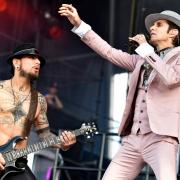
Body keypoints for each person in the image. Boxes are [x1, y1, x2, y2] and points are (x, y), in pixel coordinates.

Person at [59, 5, 180, 180]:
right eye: (153, 25)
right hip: (133, 139)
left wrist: (146, 50)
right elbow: (109, 52)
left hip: (161, 138)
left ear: (173, 33)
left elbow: (171, 78)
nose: (152, 28)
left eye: (159, 24)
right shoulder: (141, 60)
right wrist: (79, 25)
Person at [0, 43, 76, 180]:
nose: (38, 62)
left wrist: (62, 143)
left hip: (16, 164)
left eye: (39, 59)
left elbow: (45, 135)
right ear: (16, 62)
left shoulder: (39, 100)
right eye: (31, 58)